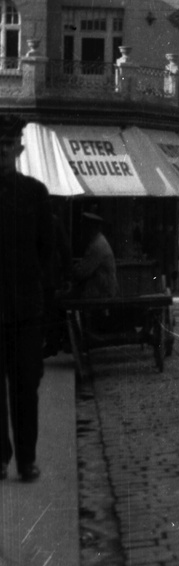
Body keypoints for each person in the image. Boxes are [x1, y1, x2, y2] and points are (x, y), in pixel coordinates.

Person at [0, 121, 58, 483]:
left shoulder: (35, 194)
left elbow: (48, 255)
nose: (2, 151)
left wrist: (47, 314)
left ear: (19, 150)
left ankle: (26, 460)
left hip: (25, 312)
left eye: (8, 145)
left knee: (25, 389)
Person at [73, 212, 118, 300]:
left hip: (102, 292)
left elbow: (82, 272)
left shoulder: (98, 245)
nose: (83, 230)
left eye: (86, 226)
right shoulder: (97, 242)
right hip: (99, 290)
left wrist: (73, 270)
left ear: (92, 228)